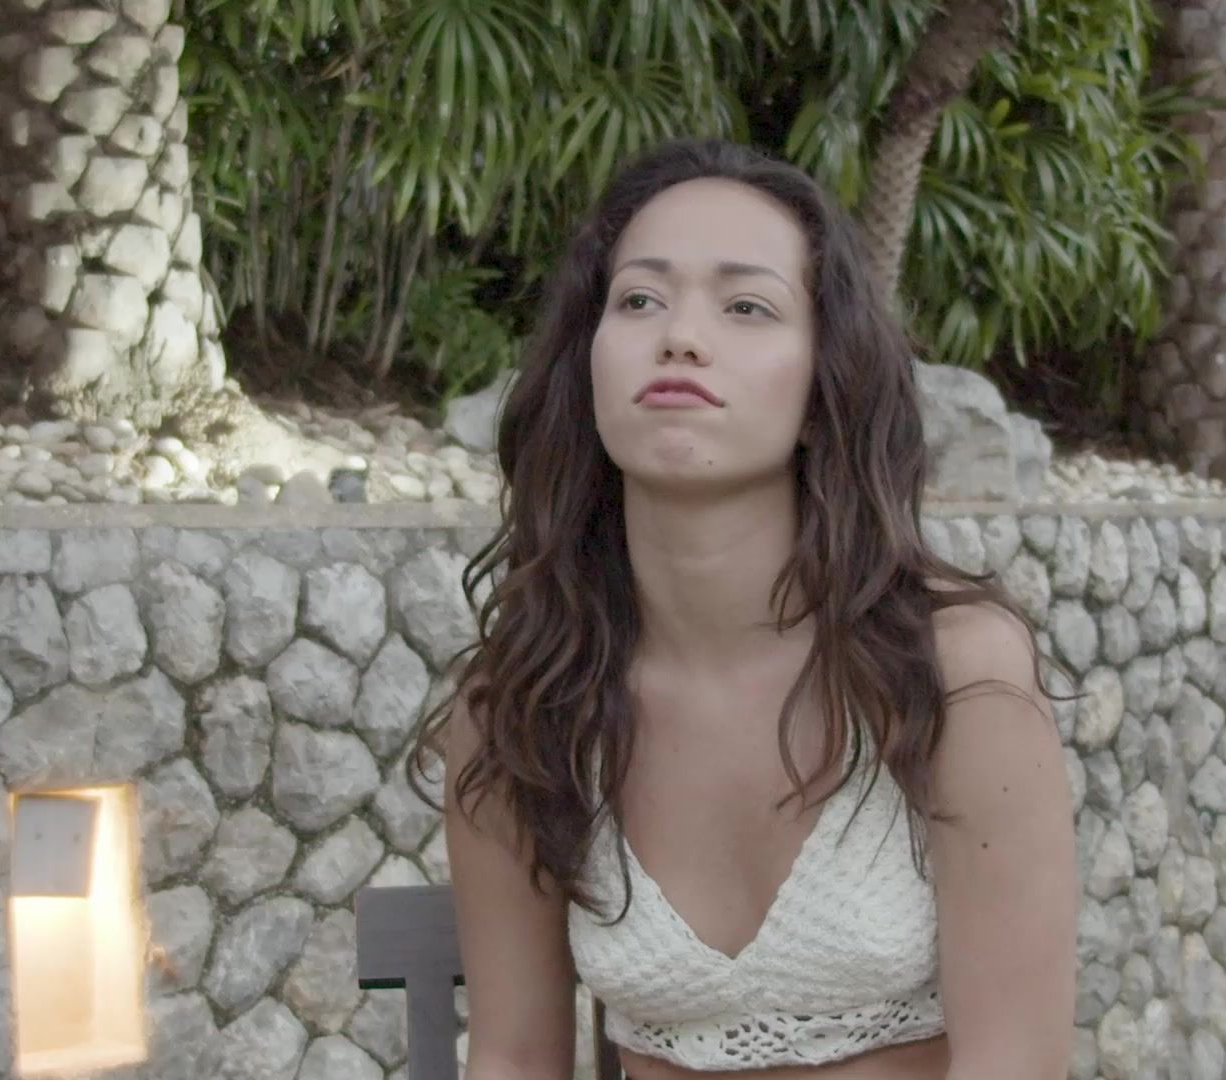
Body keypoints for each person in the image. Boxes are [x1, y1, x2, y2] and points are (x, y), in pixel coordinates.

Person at [405, 137, 1079, 1079]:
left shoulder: (950, 672)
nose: (680, 335)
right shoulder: (524, 707)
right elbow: (514, 1057)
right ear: (586, 365)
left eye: (747, 306)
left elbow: (1014, 1060)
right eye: (639, 299)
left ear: (824, 381)